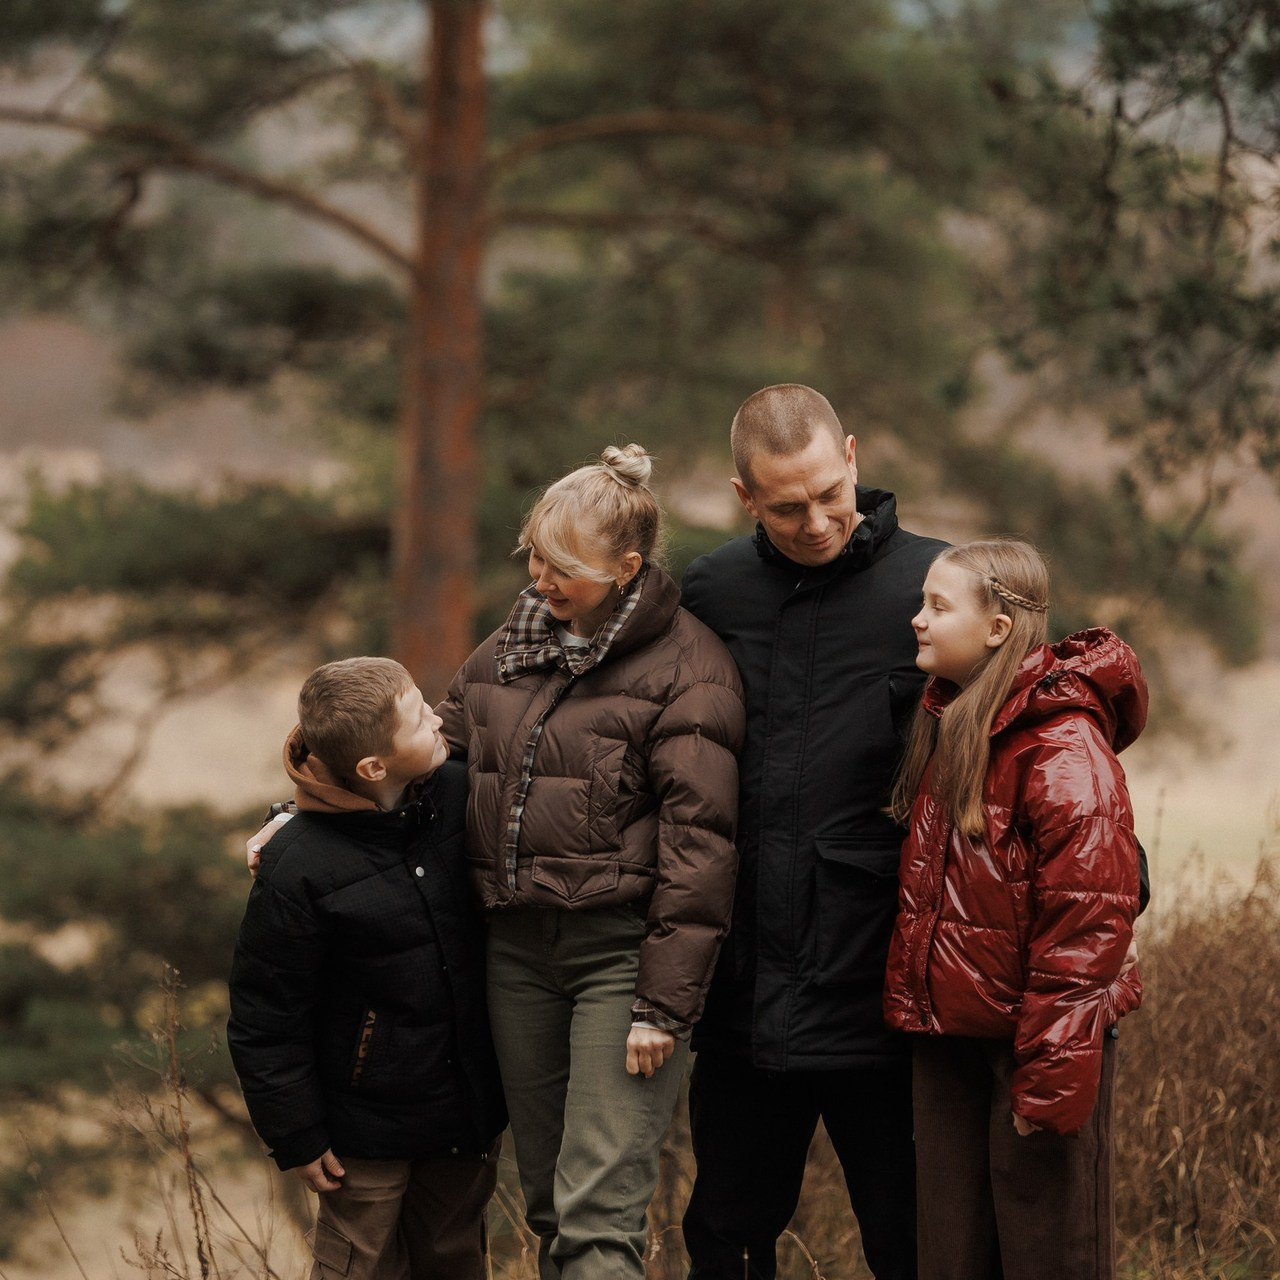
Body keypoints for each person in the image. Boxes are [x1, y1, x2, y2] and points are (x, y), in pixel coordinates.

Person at [437, 443, 745, 1280]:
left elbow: (700, 846)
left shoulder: (692, 669)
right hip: (517, 954)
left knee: (595, 1213)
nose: (541, 576)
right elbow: (436, 751)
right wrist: (303, 809)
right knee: (546, 1203)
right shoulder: (514, 641)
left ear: (627, 567)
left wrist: (662, 1005)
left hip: (623, 961)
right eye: (535, 554)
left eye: (563, 564)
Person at [679, 384, 947, 1280]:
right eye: (787, 506)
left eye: (830, 494)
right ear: (744, 497)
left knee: (915, 1243)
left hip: (889, 988)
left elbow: (1034, 734)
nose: (818, 521)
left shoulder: (937, 586)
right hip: (743, 994)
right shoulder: (712, 590)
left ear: (855, 459)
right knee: (725, 1235)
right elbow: (602, 724)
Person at [883, 539, 1146, 1280]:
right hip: (953, 1043)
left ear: (997, 629)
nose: (918, 621)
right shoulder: (956, 724)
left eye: (938, 606)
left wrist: (1050, 1081)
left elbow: (1087, 925)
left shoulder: (1062, 747)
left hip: (1031, 1051)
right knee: (953, 1260)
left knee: (1048, 1260)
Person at [227, 657, 506, 1280]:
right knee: (359, 1268)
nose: (438, 718)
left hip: (464, 1116)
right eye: (417, 718)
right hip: (361, 1135)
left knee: (455, 1260)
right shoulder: (296, 866)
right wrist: (296, 1133)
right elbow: (266, 1015)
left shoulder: (459, 791)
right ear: (374, 767)